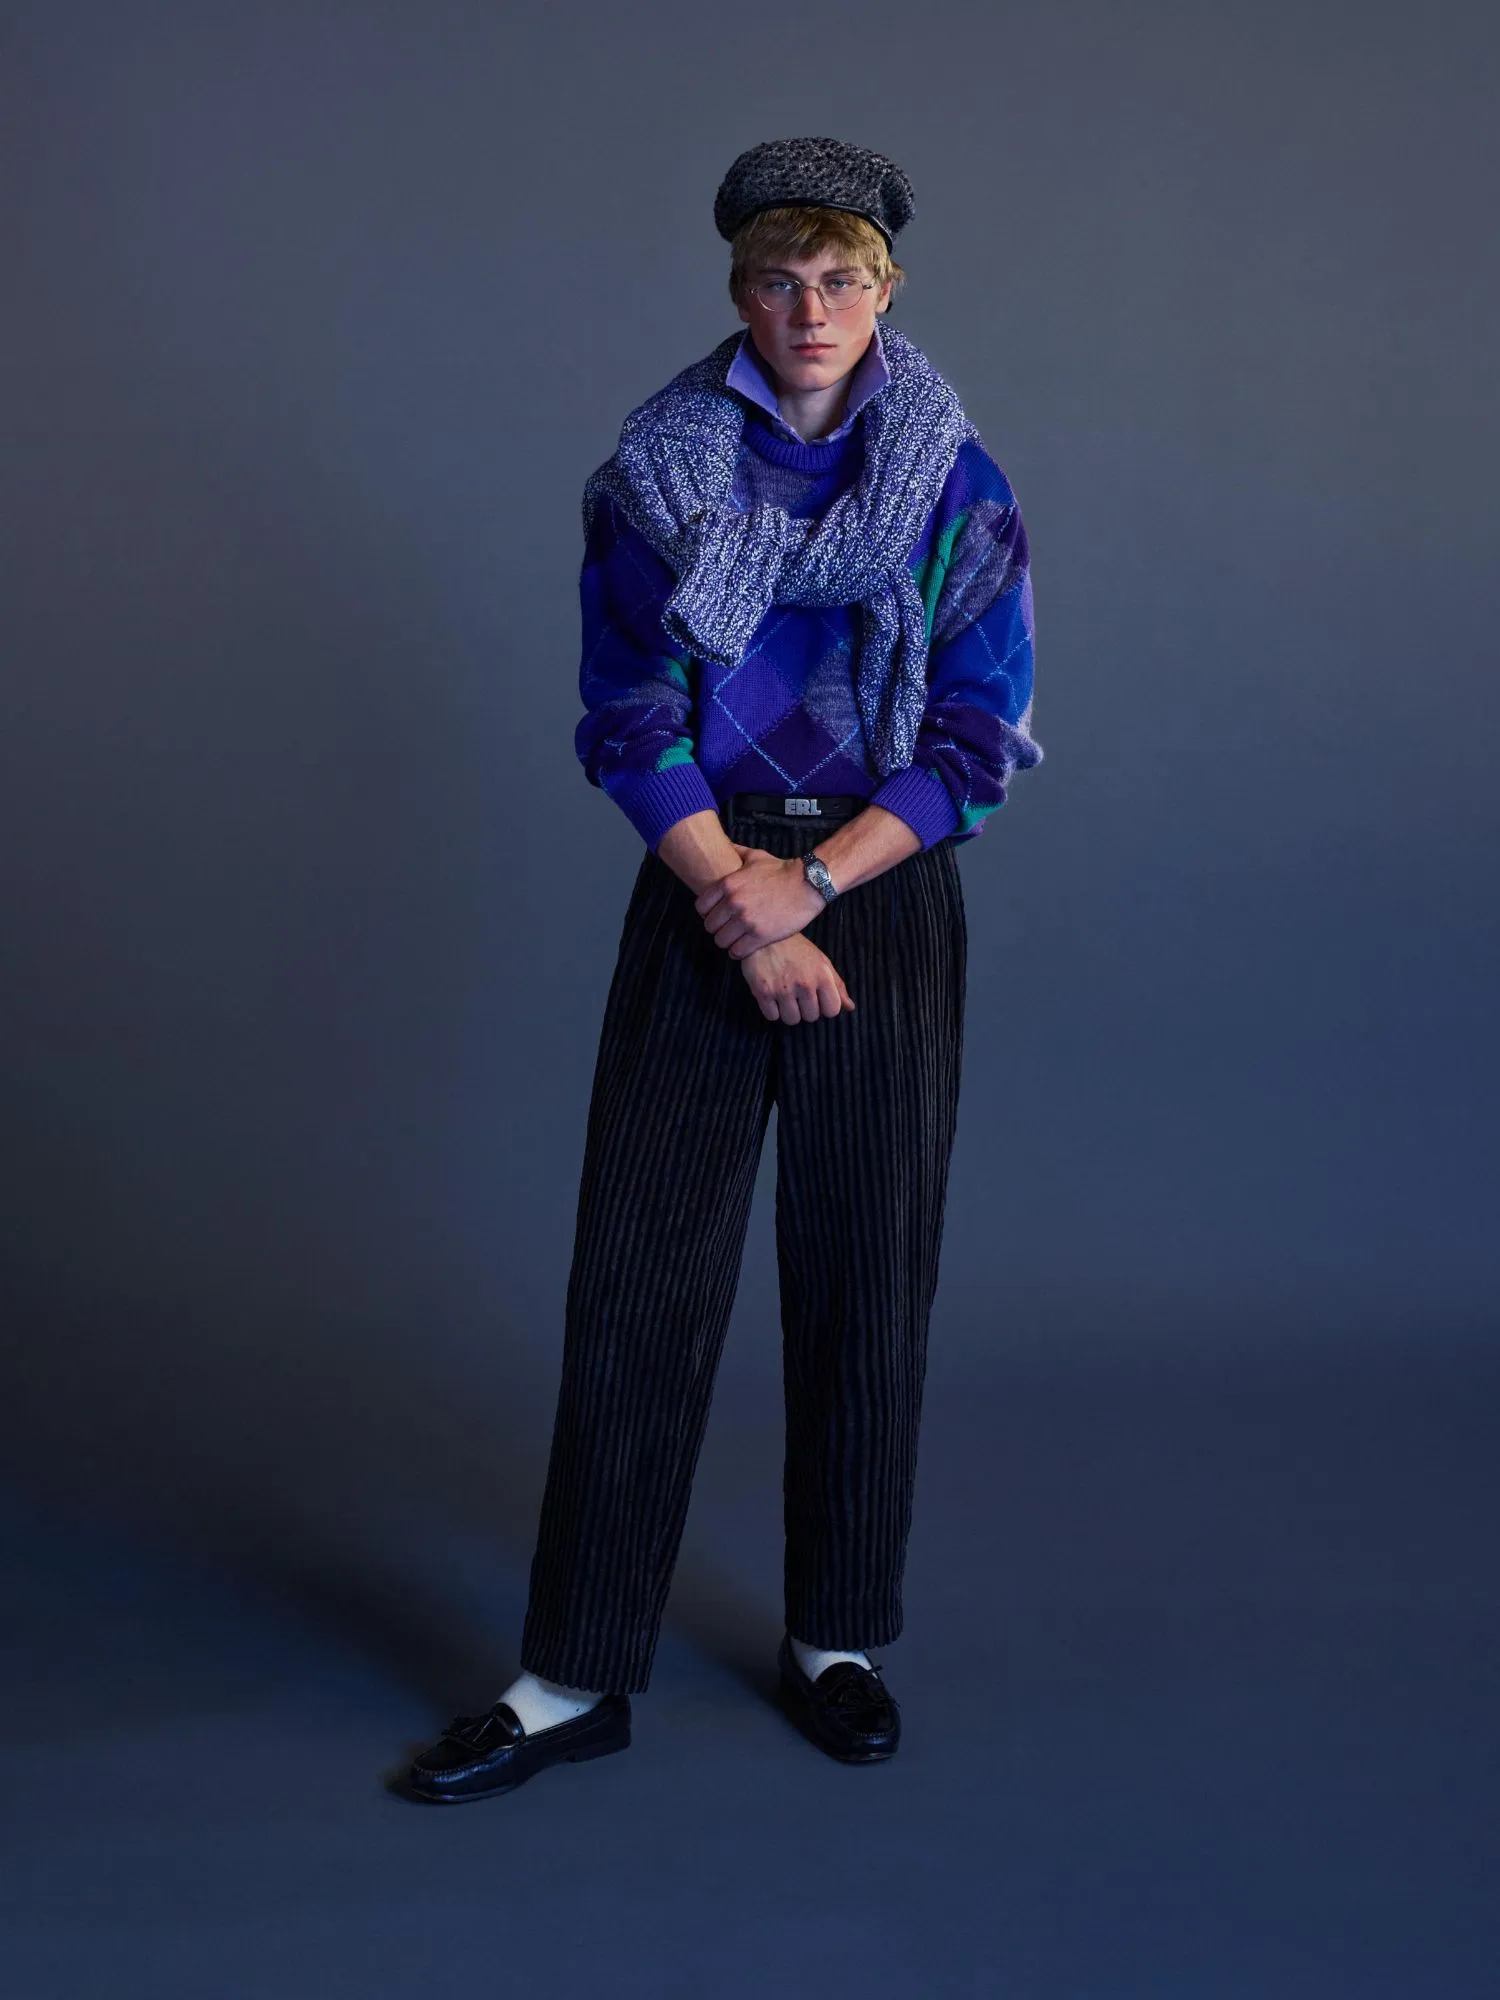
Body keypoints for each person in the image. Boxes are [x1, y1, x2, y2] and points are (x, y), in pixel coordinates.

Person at [404, 136, 1043, 1804]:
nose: (809, 308)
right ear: (738, 293)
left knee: (866, 1270)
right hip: (702, 875)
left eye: (840, 278)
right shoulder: (656, 473)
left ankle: (838, 1637)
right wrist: (741, 901)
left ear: (886, 291)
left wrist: (810, 888)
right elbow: (627, 715)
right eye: (778, 278)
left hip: (878, 887)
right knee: (641, 1277)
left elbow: (978, 745)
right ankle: (573, 1673)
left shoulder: (958, 482)